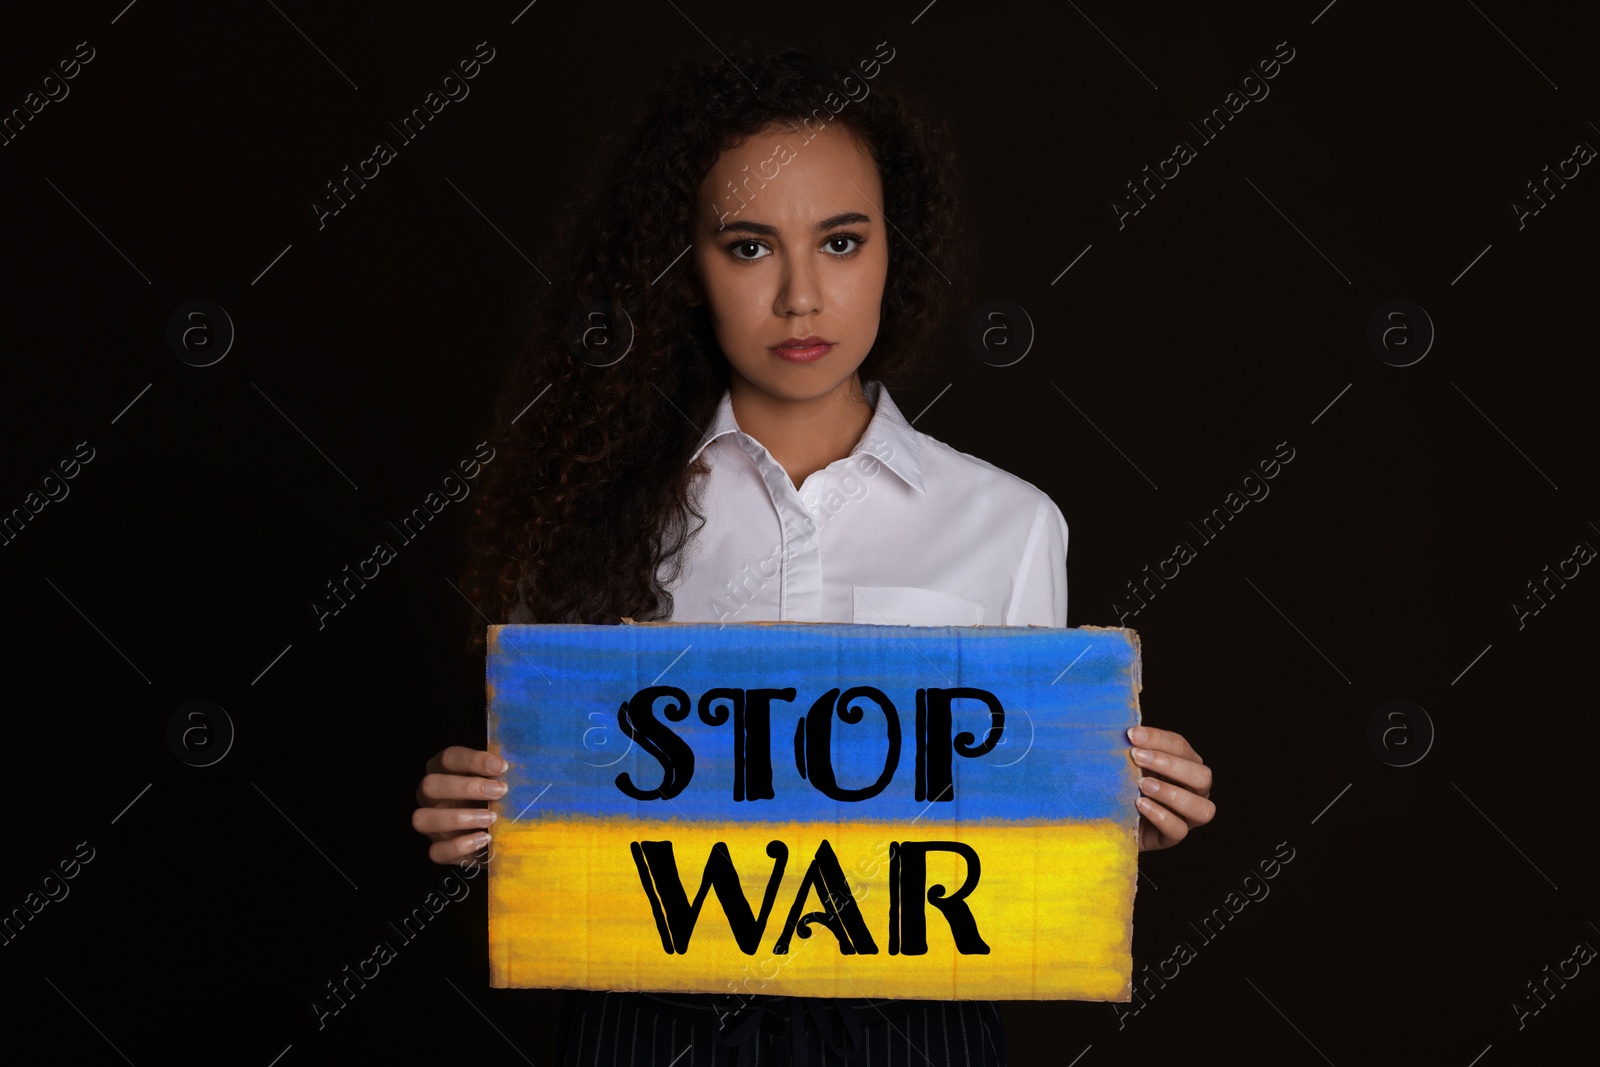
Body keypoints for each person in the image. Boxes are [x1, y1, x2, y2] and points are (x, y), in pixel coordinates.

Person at [412, 42, 1215, 1066]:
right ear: (686, 267)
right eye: (748, 247)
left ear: (895, 249)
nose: (800, 296)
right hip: (649, 1026)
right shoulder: (582, 513)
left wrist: (1111, 817)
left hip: (914, 1031)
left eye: (840, 242)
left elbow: (1012, 814)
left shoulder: (1009, 522)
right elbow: (568, 812)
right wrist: (482, 814)